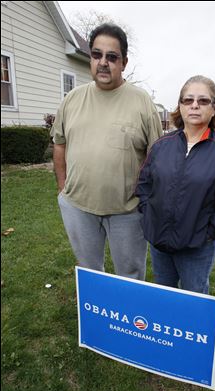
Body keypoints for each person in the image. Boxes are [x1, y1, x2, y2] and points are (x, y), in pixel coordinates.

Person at [51, 23, 163, 280]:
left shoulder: (142, 101)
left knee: (131, 275)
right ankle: (97, 319)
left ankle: (130, 320)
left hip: (127, 211)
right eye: (96, 54)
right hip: (78, 207)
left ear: (124, 62)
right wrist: (62, 188)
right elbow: (60, 142)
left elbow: (156, 156)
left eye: (111, 57)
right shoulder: (72, 99)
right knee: (91, 275)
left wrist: (147, 199)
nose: (103, 62)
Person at [135, 75, 215, 294]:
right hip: (159, 244)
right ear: (180, 106)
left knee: (194, 302)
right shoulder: (161, 146)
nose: (194, 105)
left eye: (203, 101)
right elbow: (144, 184)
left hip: (196, 249)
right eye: (188, 100)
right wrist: (150, 215)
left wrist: (205, 233)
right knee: (163, 297)